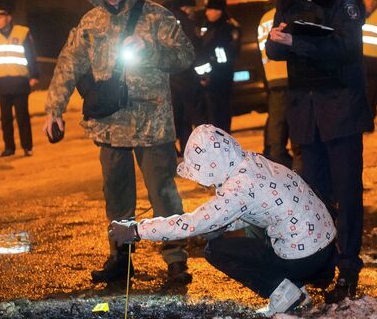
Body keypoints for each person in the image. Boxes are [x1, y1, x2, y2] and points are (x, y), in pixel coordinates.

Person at [43, 0, 195, 286]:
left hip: (152, 124)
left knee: (162, 193)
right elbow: (69, 64)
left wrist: (151, 47)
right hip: (111, 125)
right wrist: (53, 109)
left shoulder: (156, 16)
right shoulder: (90, 23)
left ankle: (175, 259)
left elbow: (185, 55)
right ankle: (121, 257)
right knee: (117, 195)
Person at [109, 124, 337, 317]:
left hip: (304, 257)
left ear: (210, 165)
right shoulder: (251, 162)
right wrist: (224, 223)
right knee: (248, 232)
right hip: (324, 246)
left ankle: (284, 292)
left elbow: (190, 223)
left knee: (216, 250)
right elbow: (255, 210)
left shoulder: (239, 187)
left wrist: (137, 230)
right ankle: (295, 288)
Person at [265, 0, 374, 303]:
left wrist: (298, 42)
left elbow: (345, 49)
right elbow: (274, 49)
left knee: (347, 191)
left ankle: (348, 268)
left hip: (340, 108)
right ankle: (320, 264)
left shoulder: (344, 0)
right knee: (313, 193)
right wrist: (278, 42)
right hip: (304, 110)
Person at [0, 4, 39, 157]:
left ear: (8, 18)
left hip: (19, 81)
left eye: (1, 17)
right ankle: (9, 147)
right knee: (6, 119)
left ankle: (27, 146)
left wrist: (34, 75)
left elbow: (31, 54)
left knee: (22, 117)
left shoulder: (22, 32)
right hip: (1, 82)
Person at [258, 0, 301, 172]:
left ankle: (277, 161)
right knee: (298, 125)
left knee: (277, 123)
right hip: (293, 75)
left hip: (273, 77)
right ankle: (299, 164)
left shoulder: (264, 19)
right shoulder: (290, 15)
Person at [195, 0, 241, 133]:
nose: (207, 13)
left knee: (220, 115)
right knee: (209, 116)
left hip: (220, 80)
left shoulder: (226, 28)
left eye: (210, 10)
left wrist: (208, 72)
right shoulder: (208, 26)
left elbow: (223, 57)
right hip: (208, 81)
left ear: (219, 11)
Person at [163, 0, 202, 156]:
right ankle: (187, 149)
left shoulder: (161, 20)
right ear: (186, 7)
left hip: (165, 77)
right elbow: (194, 47)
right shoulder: (185, 22)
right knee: (185, 116)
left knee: (170, 116)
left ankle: (170, 150)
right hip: (184, 76)